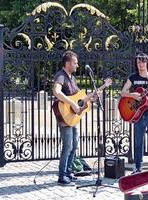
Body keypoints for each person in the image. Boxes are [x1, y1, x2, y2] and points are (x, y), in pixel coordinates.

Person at [53, 51, 99, 185]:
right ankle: (62, 176)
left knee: (74, 146)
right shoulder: (61, 76)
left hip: (72, 118)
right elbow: (56, 91)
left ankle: (69, 171)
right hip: (64, 115)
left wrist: (93, 97)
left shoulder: (72, 78)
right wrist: (71, 103)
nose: (77, 65)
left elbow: (80, 98)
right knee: (67, 146)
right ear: (67, 63)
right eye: (75, 63)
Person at [121, 52, 148, 173]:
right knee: (138, 143)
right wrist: (132, 95)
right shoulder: (133, 78)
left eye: (143, 62)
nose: (141, 64)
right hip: (138, 115)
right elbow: (122, 92)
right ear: (136, 64)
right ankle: (138, 167)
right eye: (139, 62)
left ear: (147, 63)